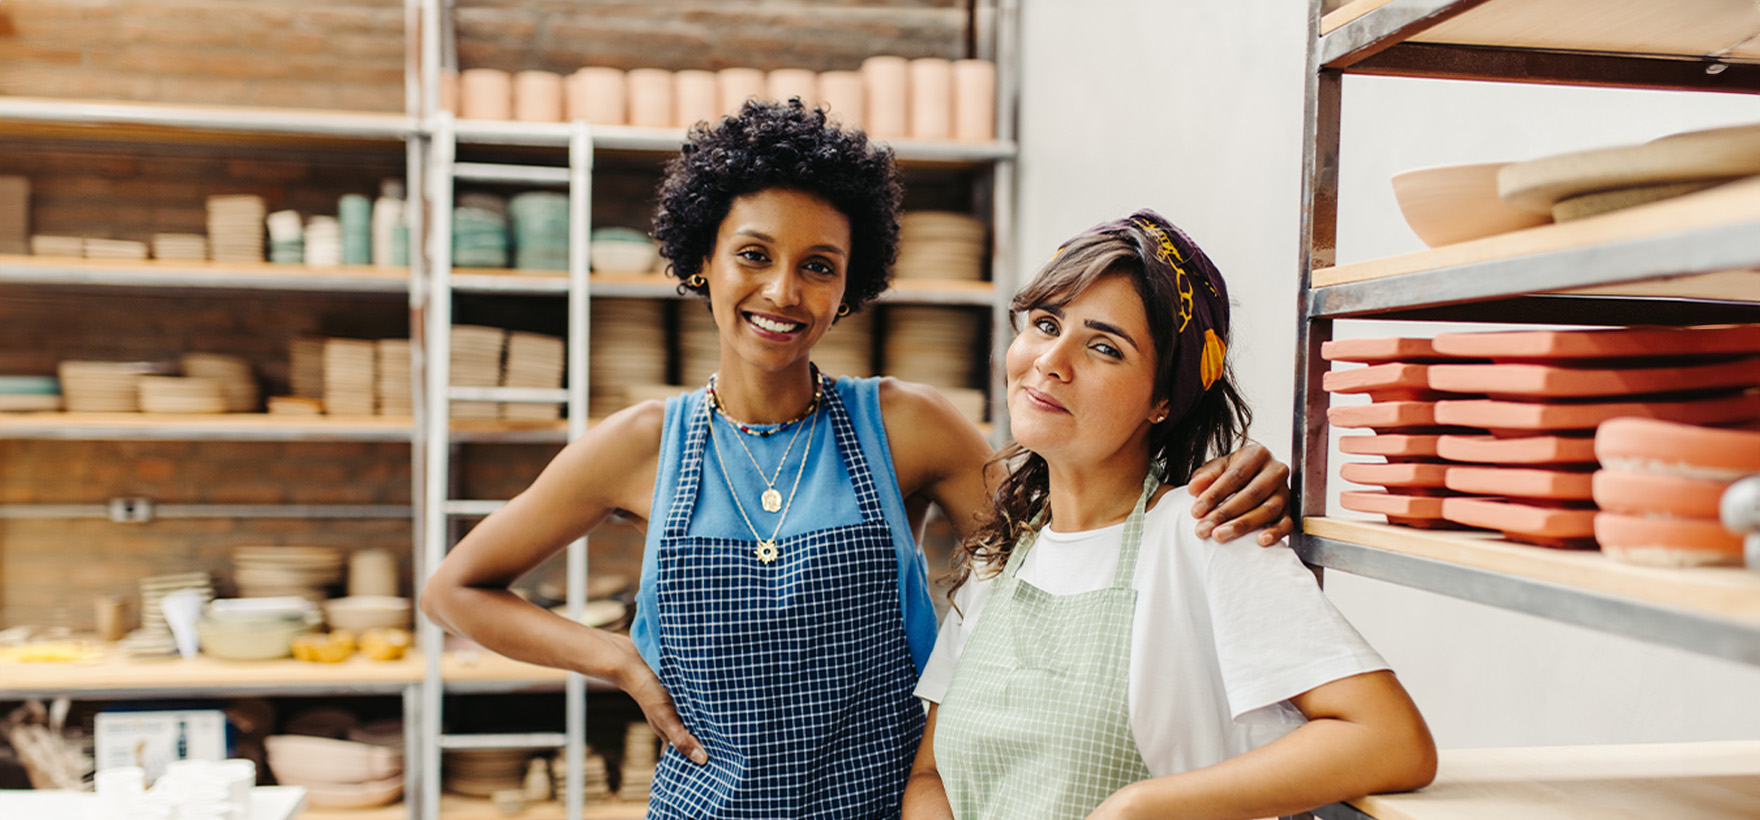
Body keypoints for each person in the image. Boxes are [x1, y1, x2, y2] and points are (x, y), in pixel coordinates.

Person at [420, 102, 1296, 819]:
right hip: (704, 808)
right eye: (754, 256)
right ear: (702, 259)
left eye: (819, 267)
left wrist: (1217, 477)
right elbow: (455, 589)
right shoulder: (641, 443)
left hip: (890, 806)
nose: (783, 293)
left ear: (851, 285)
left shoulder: (903, 426)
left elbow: (1070, 535)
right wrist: (618, 661)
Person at [904, 211, 1437, 820]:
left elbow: (1390, 738)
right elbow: (932, 774)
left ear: (1163, 399)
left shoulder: (1207, 532)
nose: (1052, 360)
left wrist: (1140, 807)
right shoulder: (1000, 562)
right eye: (1046, 323)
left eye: (1104, 347)